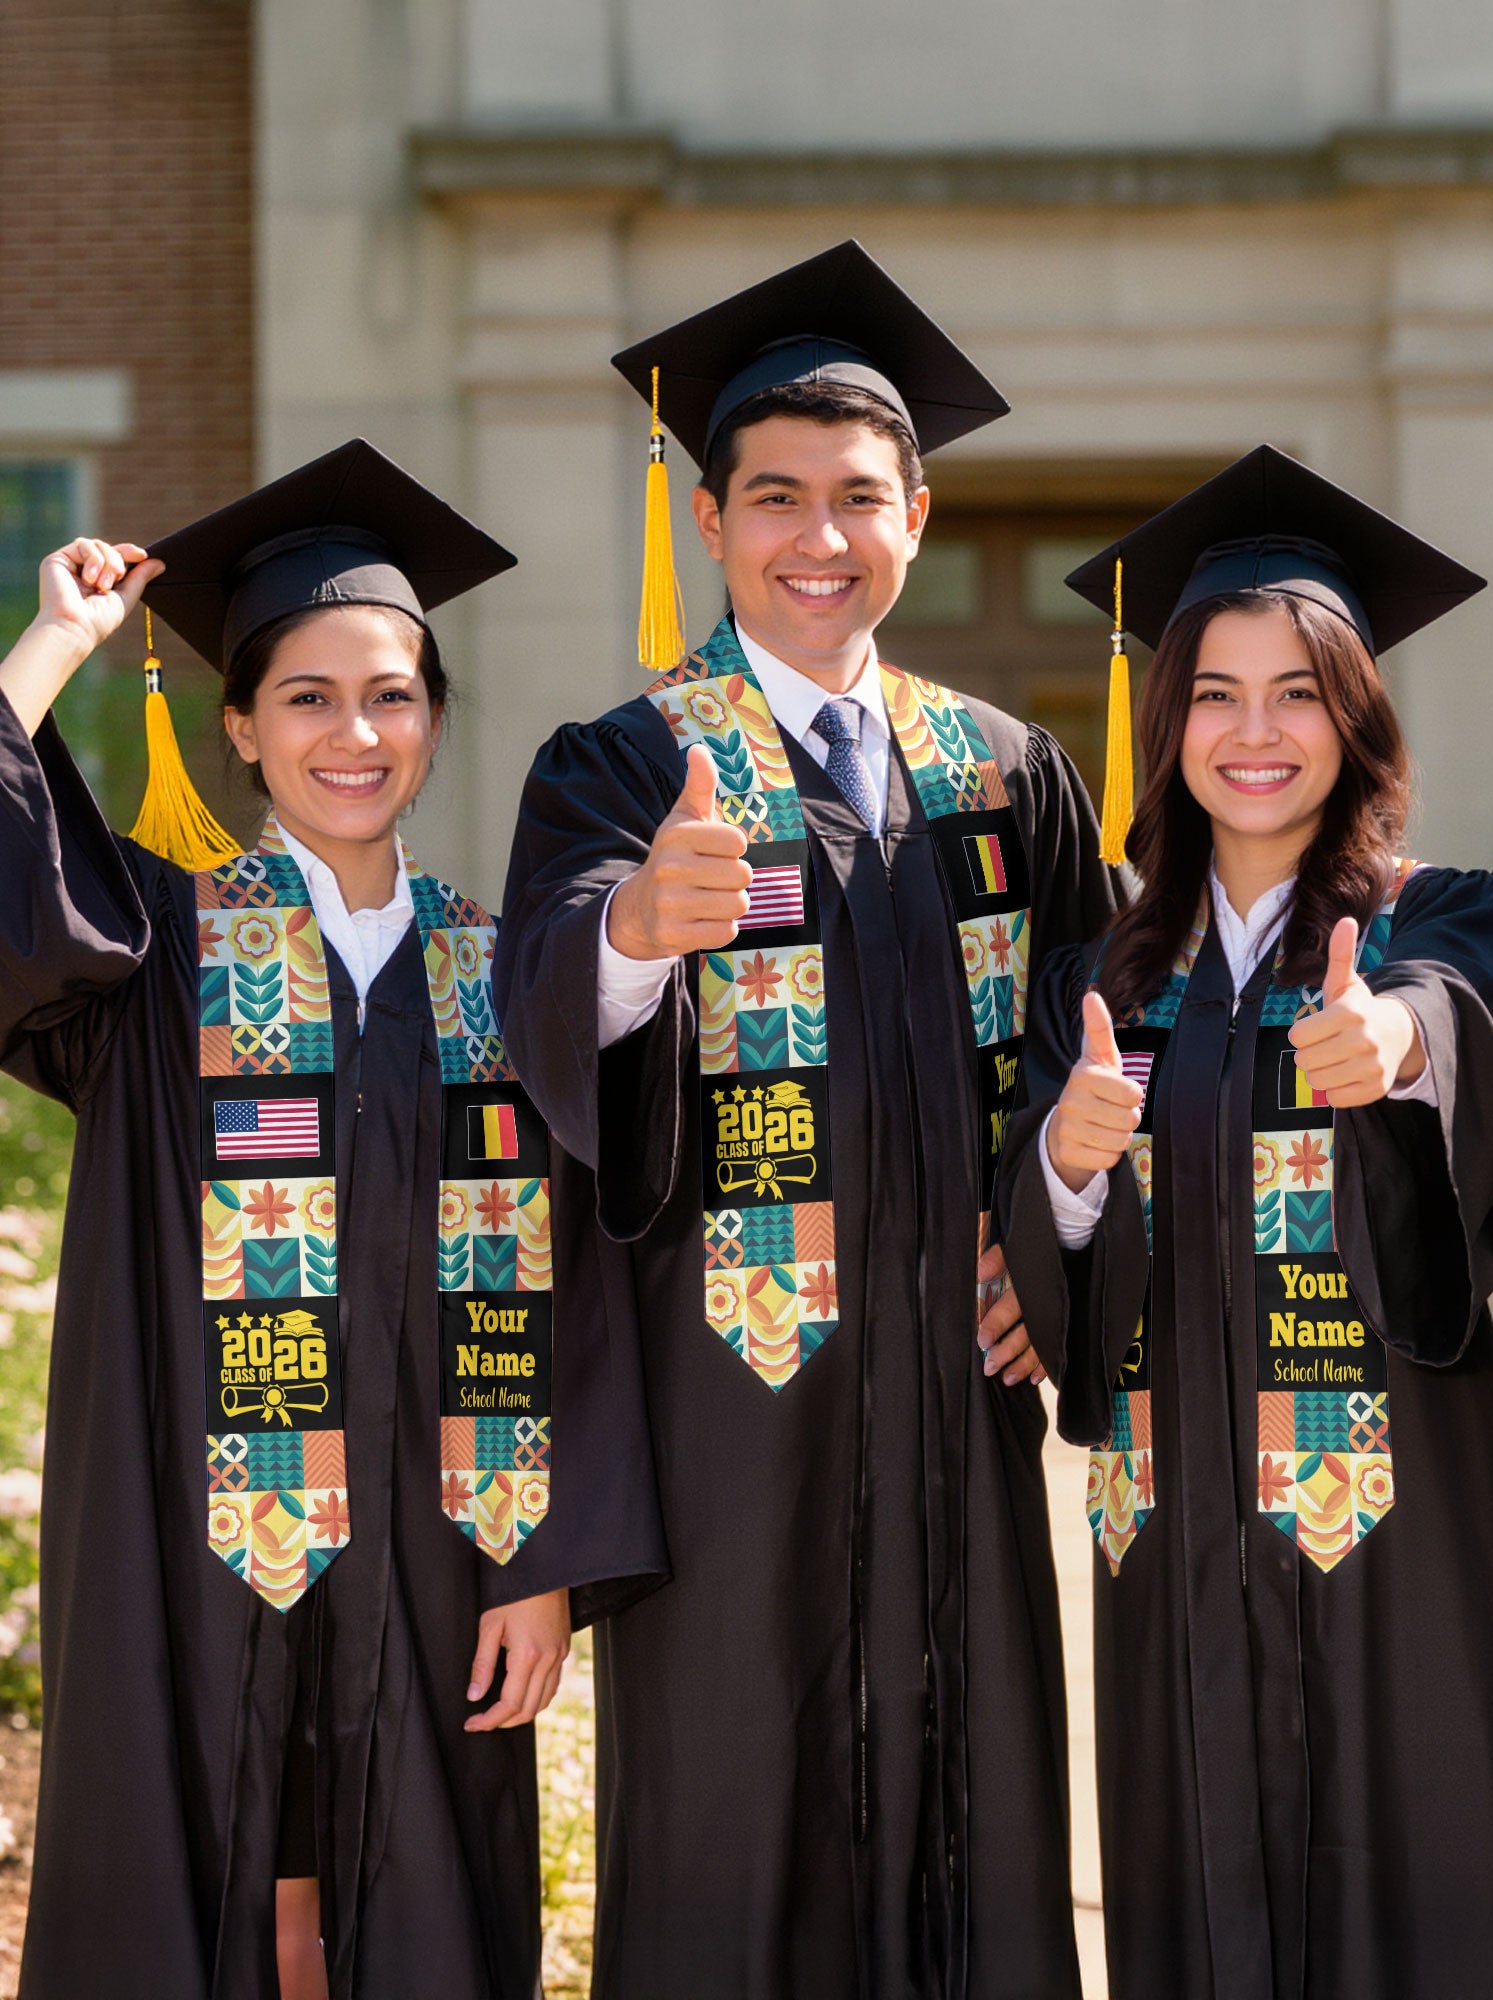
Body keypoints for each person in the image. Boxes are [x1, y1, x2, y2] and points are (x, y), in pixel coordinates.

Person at [495, 241, 1120, 1999]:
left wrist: (1057, 1243)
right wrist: (632, 931)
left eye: (860, 498)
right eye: (776, 498)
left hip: (956, 1400)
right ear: (710, 521)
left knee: (975, 1819)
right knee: (734, 1833)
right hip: (733, 1412)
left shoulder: (1008, 769)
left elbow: (1111, 1045)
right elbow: (540, 1002)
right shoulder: (621, 765)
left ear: (917, 514)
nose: (818, 538)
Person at [0, 440, 664, 2000]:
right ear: (239, 726)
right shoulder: (154, 954)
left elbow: (581, 1292)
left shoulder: (509, 978)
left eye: (391, 694)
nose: (352, 733)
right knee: (202, 1876)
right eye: (305, 696)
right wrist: (53, 646)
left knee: (424, 1904)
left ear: (435, 718)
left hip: (446, 1548)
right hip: (192, 1536)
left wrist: (544, 1561)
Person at [997, 446, 1493, 1999]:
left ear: (1357, 716)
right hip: (1173, 1519)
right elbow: (1049, 1252)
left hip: (1399, 1519)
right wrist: (1065, 1154)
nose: (1257, 734)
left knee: (1423, 1886)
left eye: (1300, 692)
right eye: (1217, 694)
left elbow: (1467, 1032)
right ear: (1167, 720)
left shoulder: (1437, 915)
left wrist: (1396, 1048)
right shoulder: (1100, 979)